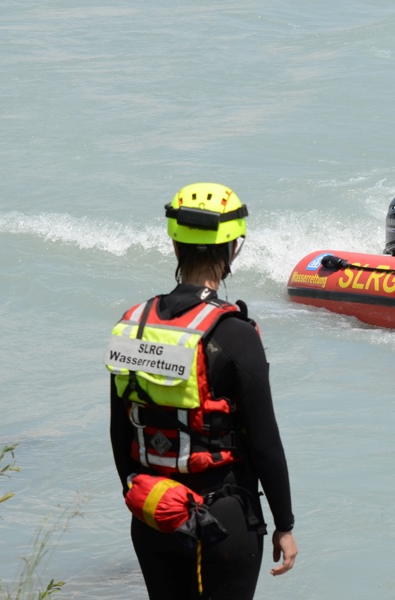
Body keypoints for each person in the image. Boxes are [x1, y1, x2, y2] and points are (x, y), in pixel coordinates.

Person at [106, 183, 297, 599]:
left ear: (175, 246)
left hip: (154, 512)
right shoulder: (236, 334)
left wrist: (139, 494)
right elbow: (266, 444)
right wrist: (284, 524)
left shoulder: (133, 324)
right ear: (233, 250)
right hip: (223, 517)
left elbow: (120, 433)